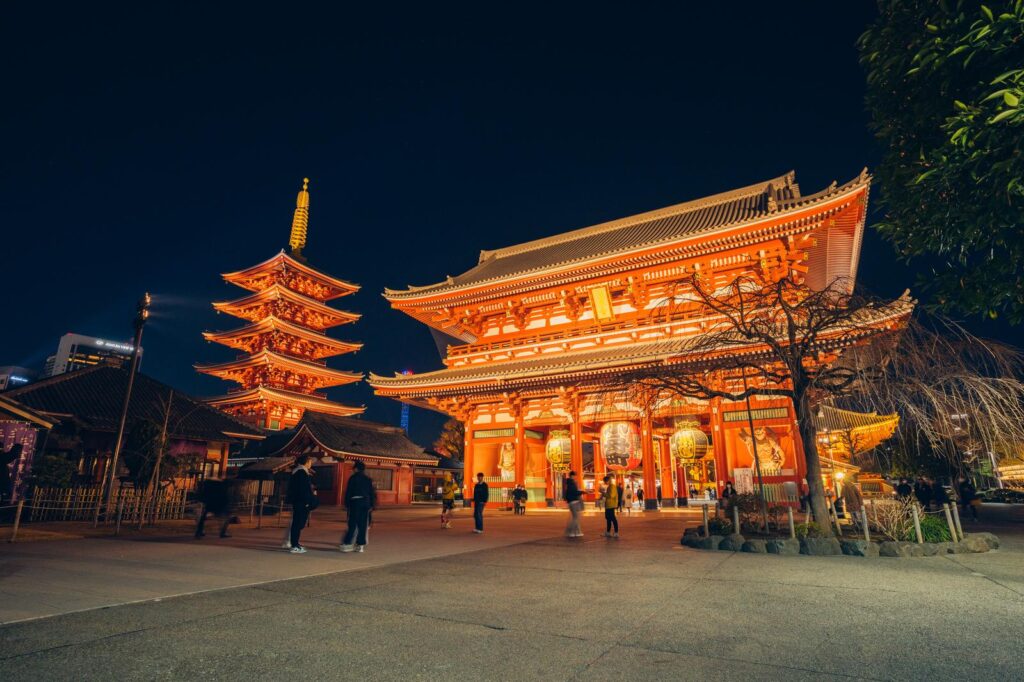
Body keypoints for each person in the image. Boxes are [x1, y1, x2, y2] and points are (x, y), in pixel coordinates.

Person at [340, 460, 377, 553]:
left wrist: (346, 504)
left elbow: (348, 492)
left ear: (356, 469)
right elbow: (372, 493)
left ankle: (347, 542)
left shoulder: (353, 478)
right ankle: (360, 545)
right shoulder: (368, 479)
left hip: (355, 502)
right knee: (363, 525)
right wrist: (372, 504)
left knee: (352, 523)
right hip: (365, 503)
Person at [286, 455, 316, 554]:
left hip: (298, 501)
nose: (311, 463)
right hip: (301, 501)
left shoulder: (298, 472)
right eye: (310, 461)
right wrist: (307, 501)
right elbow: (303, 489)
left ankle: (295, 543)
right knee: (298, 523)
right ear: (306, 462)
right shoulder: (301, 473)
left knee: (298, 523)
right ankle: (294, 545)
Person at [564, 470, 583, 538]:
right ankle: (571, 532)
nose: (575, 477)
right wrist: (582, 492)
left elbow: (568, 493)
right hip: (574, 502)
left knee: (575, 518)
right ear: (572, 476)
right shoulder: (572, 483)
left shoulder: (568, 483)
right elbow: (575, 492)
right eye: (575, 476)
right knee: (575, 518)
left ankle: (577, 532)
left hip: (570, 502)